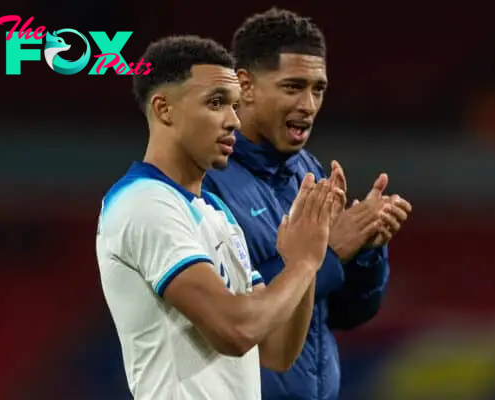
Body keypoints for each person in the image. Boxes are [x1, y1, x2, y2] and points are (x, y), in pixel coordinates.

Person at [95, 34, 345, 400]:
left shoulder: (216, 213)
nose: (234, 121)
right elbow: (236, 330)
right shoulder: (145, 203)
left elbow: (276, 350)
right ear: (164, 109)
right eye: (216, 103)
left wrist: (308, 250)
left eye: (234, 105)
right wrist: (303, 265)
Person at [203, 8, 412, 400]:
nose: (309, 104)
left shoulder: (307, 172)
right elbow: (233, 311)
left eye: (318, 89)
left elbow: (348, 315)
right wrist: (331, 250)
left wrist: (366, 251)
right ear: (245, 85)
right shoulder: (206, 176)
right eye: (293, 87)